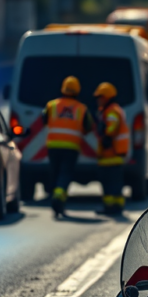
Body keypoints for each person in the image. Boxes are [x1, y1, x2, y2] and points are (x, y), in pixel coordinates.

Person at [41, 76, 94, 217]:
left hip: (53, 145)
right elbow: (88, 126)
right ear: (77, 91)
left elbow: (43, 119)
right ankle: (59, 197)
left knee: (55, 172)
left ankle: (55, 196)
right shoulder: (81, 109)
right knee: (65, 174)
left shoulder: (51, 105)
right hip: (71, 147)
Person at [93, 82, 129, 215]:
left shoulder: (111, 111)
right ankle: (116, 207)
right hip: (114, 155)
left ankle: (110, 208)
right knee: (115, 185)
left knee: (109, 185)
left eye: (100, 97)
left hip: (110, 155)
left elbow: (112, 127)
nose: (98, 100)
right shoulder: (111, 109)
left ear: (106, 97)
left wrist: (107, 135)